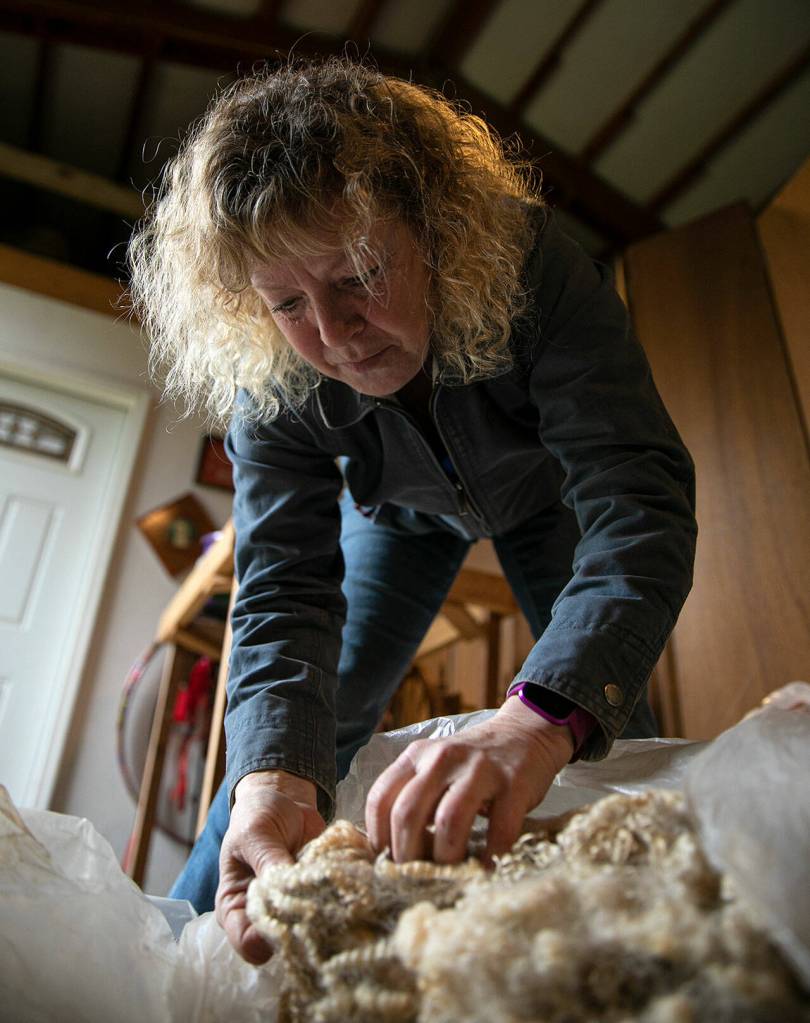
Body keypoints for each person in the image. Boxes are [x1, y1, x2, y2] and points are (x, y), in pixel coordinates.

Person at [128, 56, 697, 965]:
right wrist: (269, 776)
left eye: (356, 274)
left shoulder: (537, 270)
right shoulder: (270, 376)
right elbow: (283, 584)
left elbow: (637, 501)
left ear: (434, 231)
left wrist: (534, 722)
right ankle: (181, 950)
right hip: (395, 518)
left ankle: (641, 944)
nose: (334, 334)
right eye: (288, 303)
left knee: (599, 713)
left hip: (549, 499)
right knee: (295, 739)